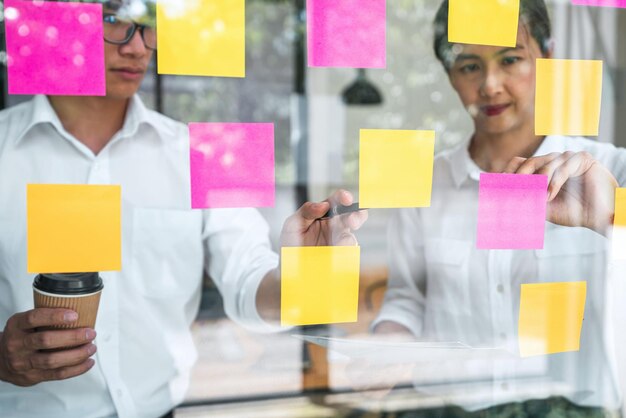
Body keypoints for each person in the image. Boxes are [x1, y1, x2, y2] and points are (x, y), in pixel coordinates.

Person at [0, 3, 367, 417]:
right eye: (113, 20)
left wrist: (306, 276)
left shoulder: (199, 153)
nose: (138, 48)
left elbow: (247, 282)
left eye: (149, 28)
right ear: (64, 19)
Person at [372, 0, 626, 415]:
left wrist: (610, 215)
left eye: (510, 60)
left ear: (548, 57)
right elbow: (407, 297)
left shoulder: (611, 170)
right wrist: (383, 350)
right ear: (449, 74)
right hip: (445, 409)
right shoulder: (424, 185)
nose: (490, 85)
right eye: (469, 65)